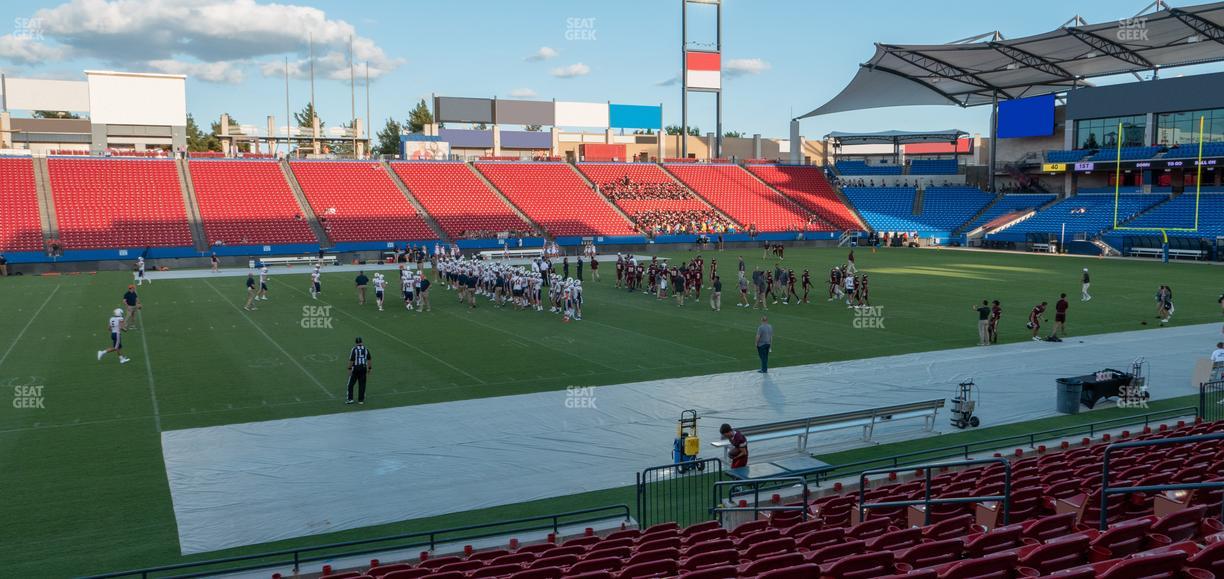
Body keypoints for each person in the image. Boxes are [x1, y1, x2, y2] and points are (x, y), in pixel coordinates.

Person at [345, 337, 372, 405]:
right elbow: (369, 359)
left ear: (356, 343)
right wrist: (369, 368)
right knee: (362, 384)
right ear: (362, 342)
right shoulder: (366, 349)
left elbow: (351, 360)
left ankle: (350, 399)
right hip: (363, 368)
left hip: (356, 368)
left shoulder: (354, 349)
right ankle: (361, 400)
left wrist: (349, 368)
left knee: (350, 384)